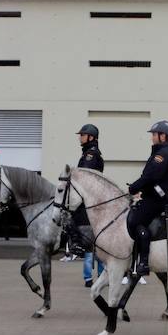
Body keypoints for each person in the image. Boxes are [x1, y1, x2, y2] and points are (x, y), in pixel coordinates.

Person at [127, 120, 168, 276]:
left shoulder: (162, 155)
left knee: (135, 221)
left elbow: (150, 177)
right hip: (153, 195)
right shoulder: (162, 152)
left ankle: (143, 262)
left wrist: (134, 187)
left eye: (154, 134)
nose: (152, 137)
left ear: (163, 136)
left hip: (156, 199)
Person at [75, 123, 105, 287]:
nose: (80, 137)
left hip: (89, 201)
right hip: (90, 200)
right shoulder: (89, 153)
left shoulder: (91, 155)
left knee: (89, 243)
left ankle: (94, 276)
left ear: (90, 137)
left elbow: (84, 176)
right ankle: (96, 275)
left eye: (82, 135)